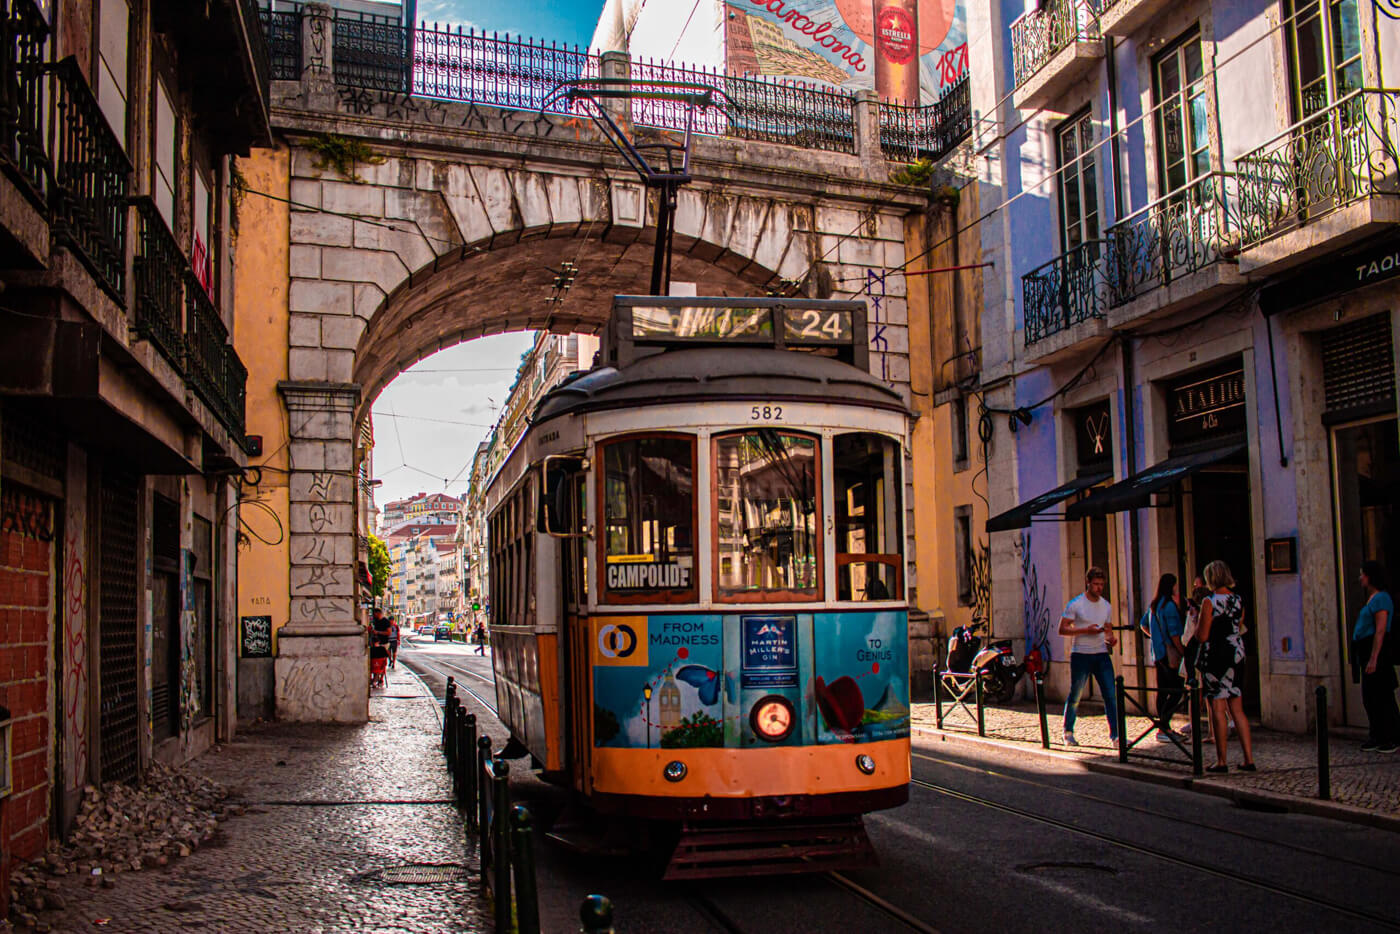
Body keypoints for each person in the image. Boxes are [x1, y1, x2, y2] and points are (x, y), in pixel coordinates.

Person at [1195, 559, 1255, 773]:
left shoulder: (1209, 602)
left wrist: (1196, 624)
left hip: (1217, 656)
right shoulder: (1238, 599)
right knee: (1237, 708)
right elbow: (1238, 626)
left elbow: (1202, 635)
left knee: (1218, 708)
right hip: (1237, 653)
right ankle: (1249, 759)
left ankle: (1222, 761)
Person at [1059, 566, 1119, 747]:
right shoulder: (1076, 604)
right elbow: (1062, 629)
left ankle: (1116, 735)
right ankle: (1068, 732)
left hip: (1101, 654)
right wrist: (1085, 630)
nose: (1099, 588)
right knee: (1076, 694)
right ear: (1088, 583)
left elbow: (1107, 628)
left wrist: (1111, 639)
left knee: (1110, 694)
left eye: (1101, 584)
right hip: (1081, 654)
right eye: (1096, 584)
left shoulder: (1106, 605)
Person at [1354, 560, 1398, 753]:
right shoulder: (1372, 598)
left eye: (1363, 574)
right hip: (1365, 651)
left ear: (1371, 576)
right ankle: (1377, 735)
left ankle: (1392, 737)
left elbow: (1380, 630)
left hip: (1377, 652)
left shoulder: (1381, 598)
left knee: (1383, 696)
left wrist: (1374, 658)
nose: (1360, 577)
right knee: (1370, 697)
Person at [1142, 573, 1185, 742]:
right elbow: (1174, 634)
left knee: (1162, 691)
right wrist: (1183, 652)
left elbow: (1143, 624)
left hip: (1157, 653)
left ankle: (1163, 728)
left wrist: (1155, 637)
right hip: (1169, 654)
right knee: (1176, 690)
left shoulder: (1154, 605)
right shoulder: (1169, 607)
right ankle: (1164, 727)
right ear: (1171, 586)